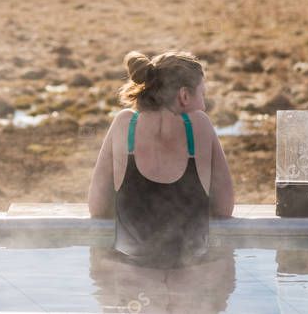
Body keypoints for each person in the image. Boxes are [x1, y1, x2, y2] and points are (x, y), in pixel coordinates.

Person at [88, 51, 234, 268]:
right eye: (201, 94)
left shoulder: (123, 124)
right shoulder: (200, 125)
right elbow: (224, 208)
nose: (203, 105)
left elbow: (97, 207)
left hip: (131, 276)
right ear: (184, 96)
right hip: (191, 276)